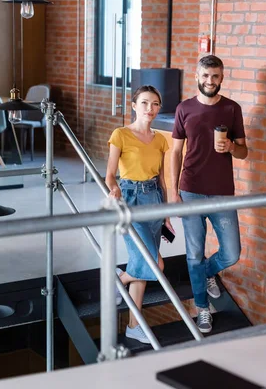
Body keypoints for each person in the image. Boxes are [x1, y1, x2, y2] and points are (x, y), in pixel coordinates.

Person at [169, 55, 248, 333]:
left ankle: (207, 272)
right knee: (193, 254)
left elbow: (244, 150)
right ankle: (203, 308)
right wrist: (173, 192)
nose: (210, 81)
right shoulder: (184, 108)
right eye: (205, 75)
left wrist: (231, 149)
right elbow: (176, 151)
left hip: (222, 193)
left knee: (231, 253)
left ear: (222, 77)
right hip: (190, 189)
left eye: (215, 76)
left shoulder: (232, 109)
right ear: (197, 76)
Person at [105, 85, 175, 344]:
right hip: (130, 198)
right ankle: (118, 280)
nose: (150, 108)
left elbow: (162, 179)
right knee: (155, 264)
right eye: (145, 103)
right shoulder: (121, 134)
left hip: (154, 200)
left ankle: (134, 325)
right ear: (134, 105)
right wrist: (114, 189)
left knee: (142, 265)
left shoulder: (160, 140)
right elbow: (110, 174)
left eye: (155, 104)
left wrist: (167, 212)